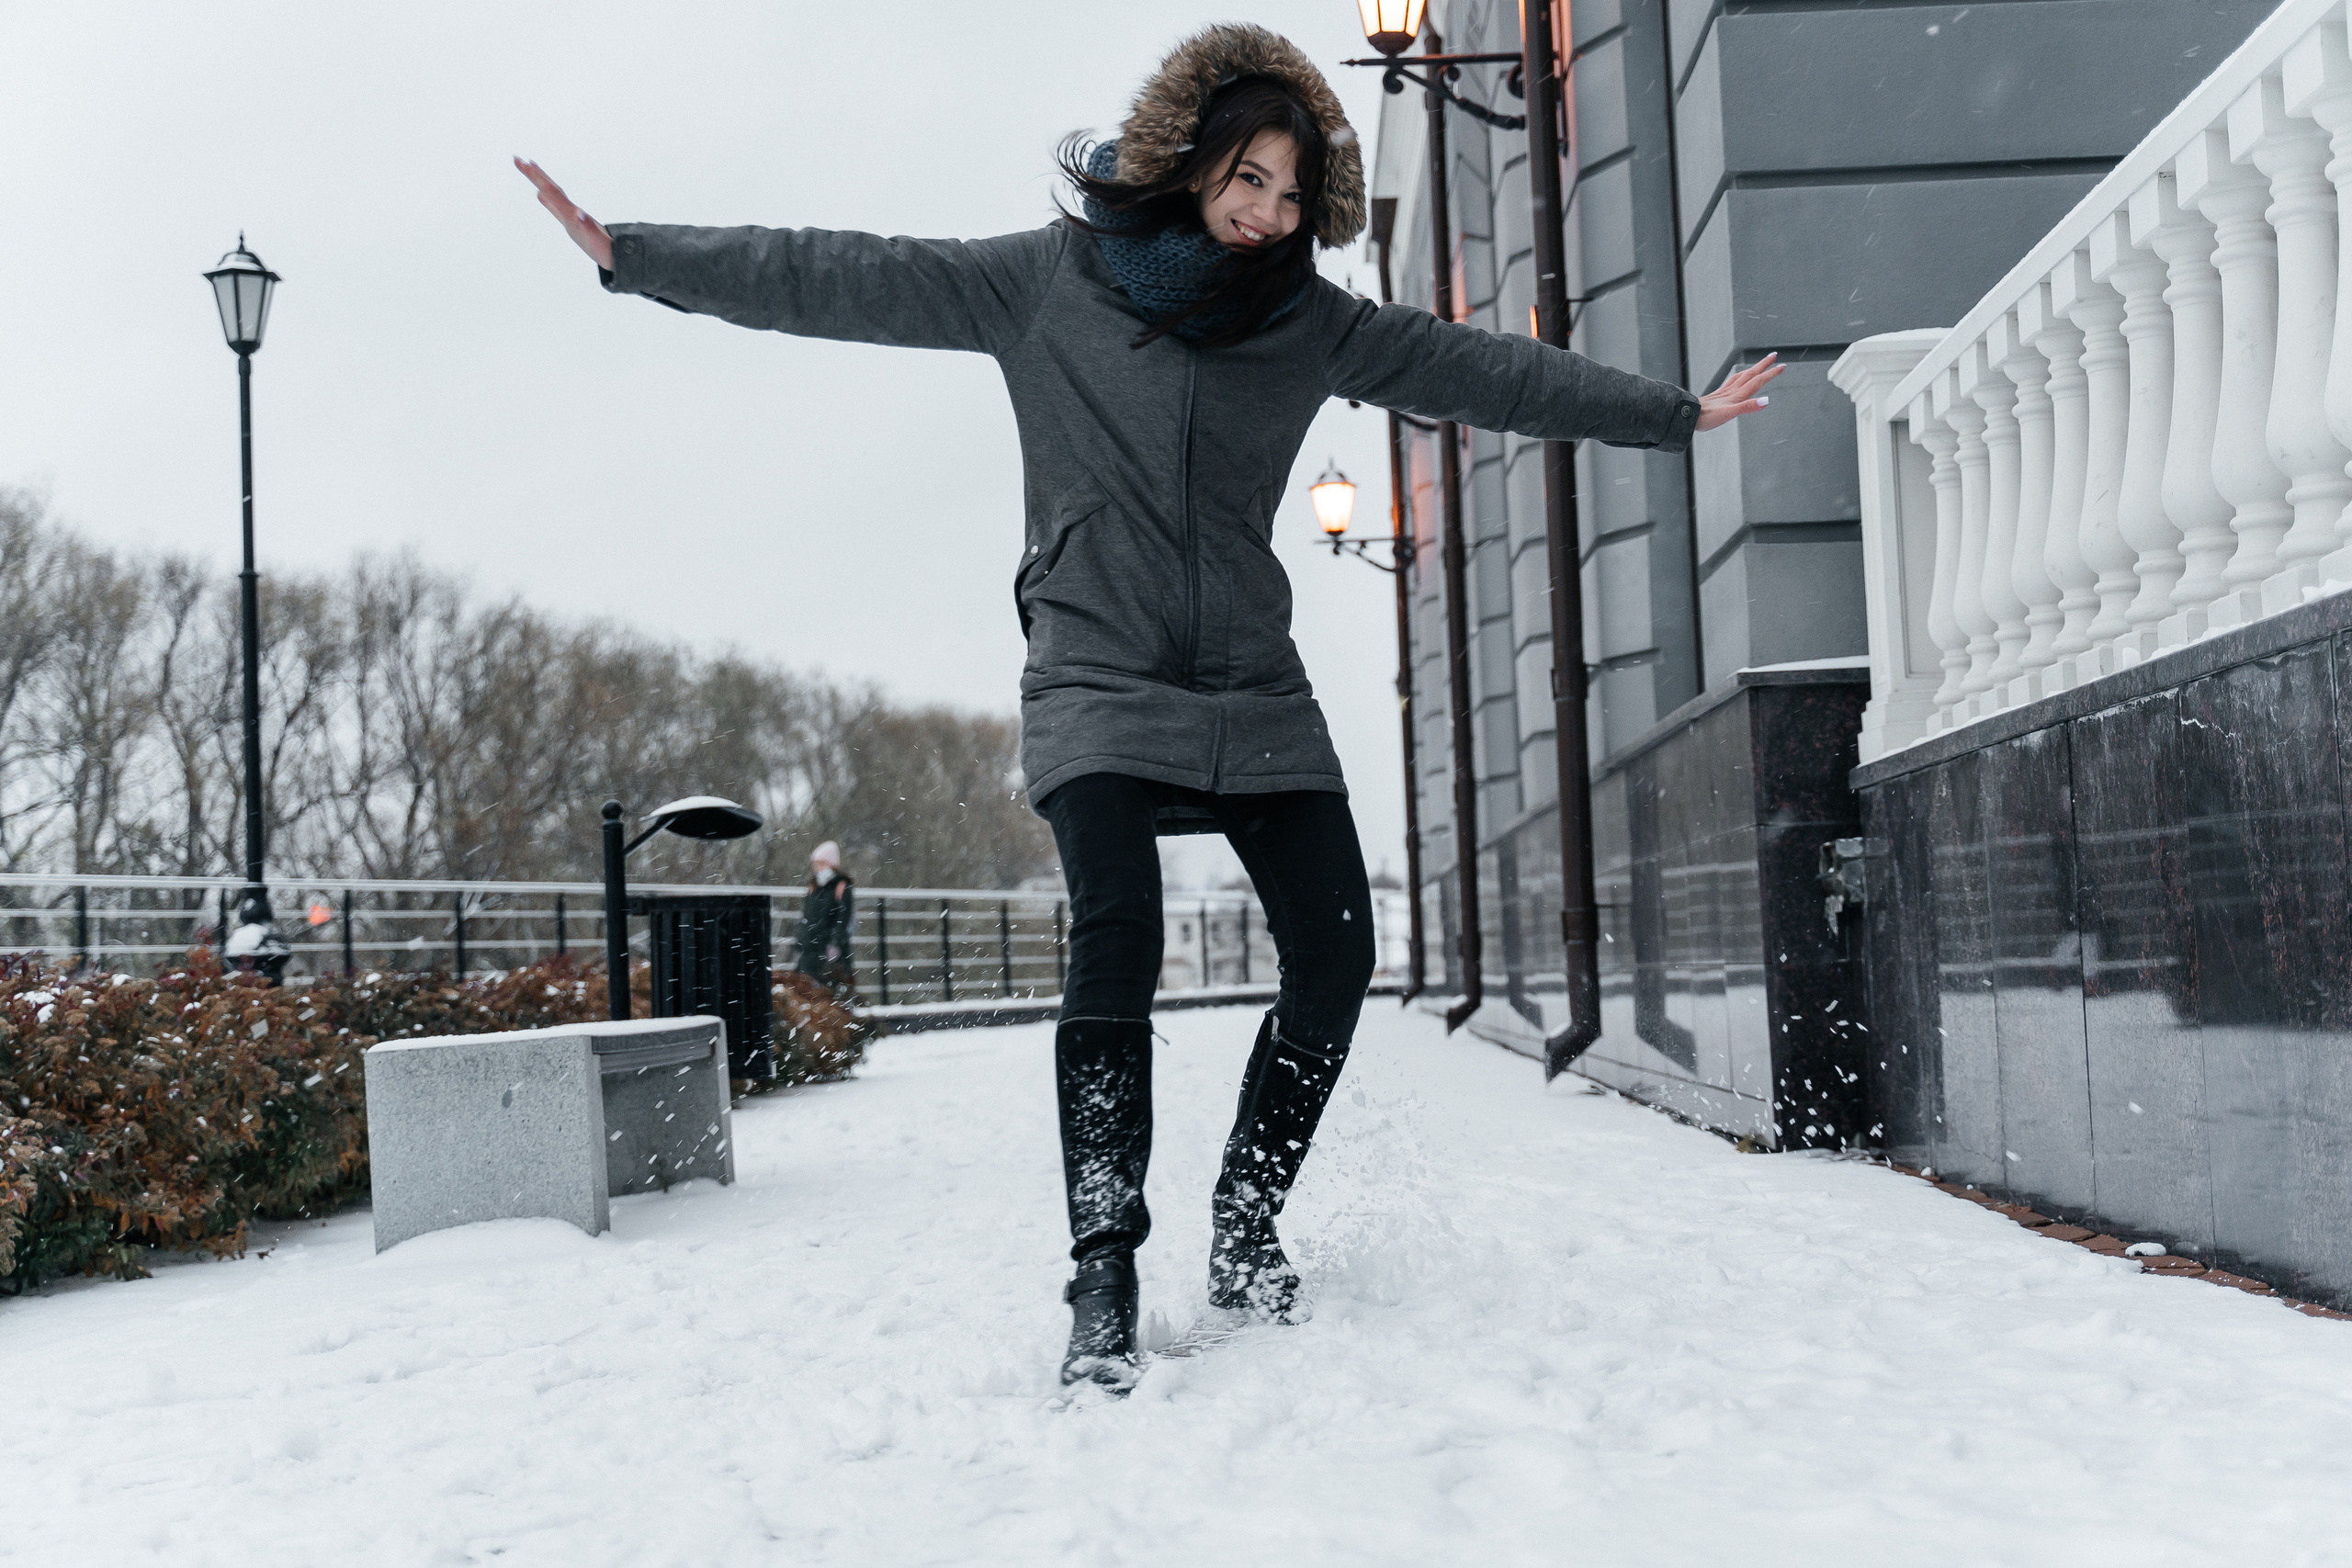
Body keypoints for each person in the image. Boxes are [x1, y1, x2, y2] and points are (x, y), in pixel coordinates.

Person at [519, 22, 1777, 1393]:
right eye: (1248, 179)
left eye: (1293, 196)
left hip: (1250, 675)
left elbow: (1483, 369)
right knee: (1115, 934)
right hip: (1097, 666)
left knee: (1337, 949)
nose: (1268, 213)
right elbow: (851, 273)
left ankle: (1247, 1220)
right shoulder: (1045, 285)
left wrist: (1672, 412)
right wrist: (637, 255)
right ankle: (1104, 1261)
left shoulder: (1308, 321)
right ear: (1188, 163)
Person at [795, 840, 856, 1001]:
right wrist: (800, 941)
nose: (818, 868)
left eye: (821, 863)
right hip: (811, 949)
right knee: (807, 993)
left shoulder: (841, 887)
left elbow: (843, 919)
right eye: (815, 864)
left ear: (832, 864)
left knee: (832, 994)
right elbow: (806, 918)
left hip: (830, 950)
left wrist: (835, 944)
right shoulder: (813, 888)